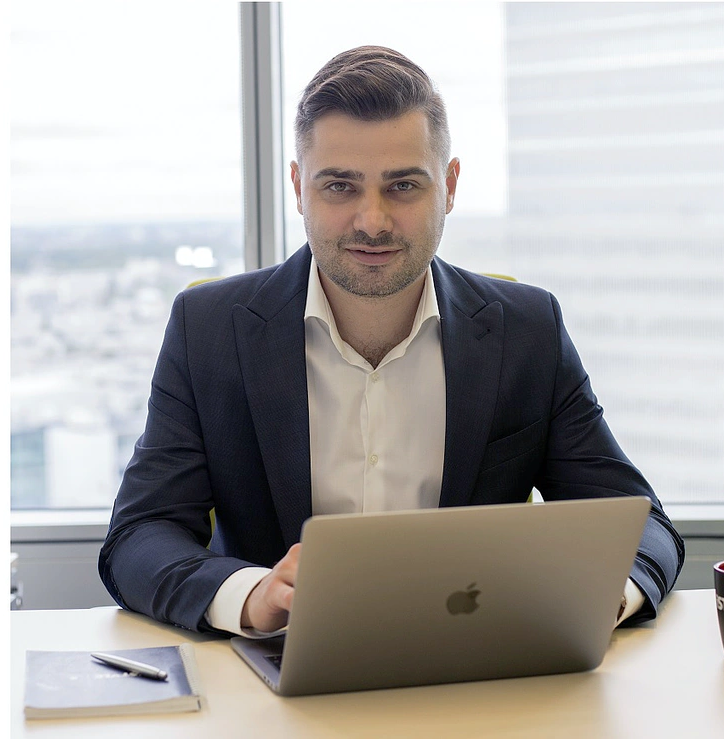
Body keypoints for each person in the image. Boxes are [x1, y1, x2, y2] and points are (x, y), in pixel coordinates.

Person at [99, 45, 685, 637]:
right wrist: (252, 596)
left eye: (403, 186)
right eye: (339, 187)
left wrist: (607, 592)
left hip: (480, 673)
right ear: (299, 186)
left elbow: (641, 526)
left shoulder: (526, 330)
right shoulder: (209, 329)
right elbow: (139, 536)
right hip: (275, 683)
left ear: (449, 186)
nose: (372, 221)